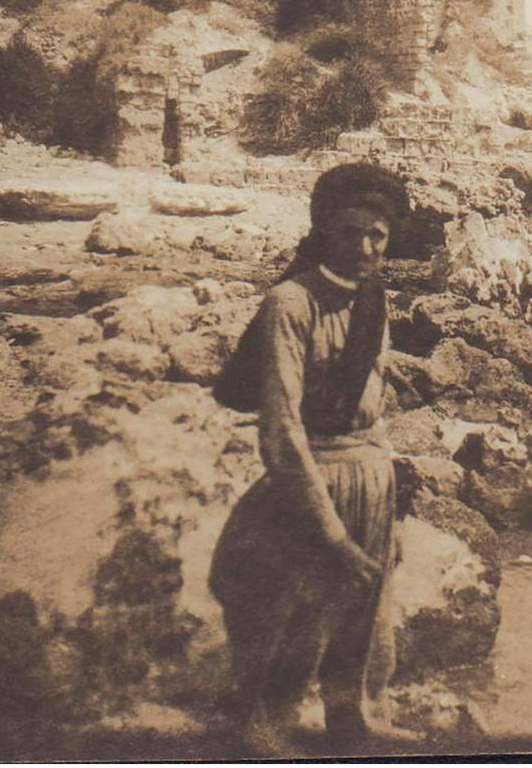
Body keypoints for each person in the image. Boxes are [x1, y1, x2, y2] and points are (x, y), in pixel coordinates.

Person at [209, 162, 413, 754]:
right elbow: (281, 430)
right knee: (294, 609)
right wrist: (330, 532)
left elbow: (375, 404)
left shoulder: (377, 302)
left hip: (371, 477)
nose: (366, 247)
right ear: (325, 230)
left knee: (361, 615)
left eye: (378, 235)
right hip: (312, 479)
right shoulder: (290, 303)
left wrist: (387, 505)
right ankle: (264, 730)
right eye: (352, 232)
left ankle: (349, 720)